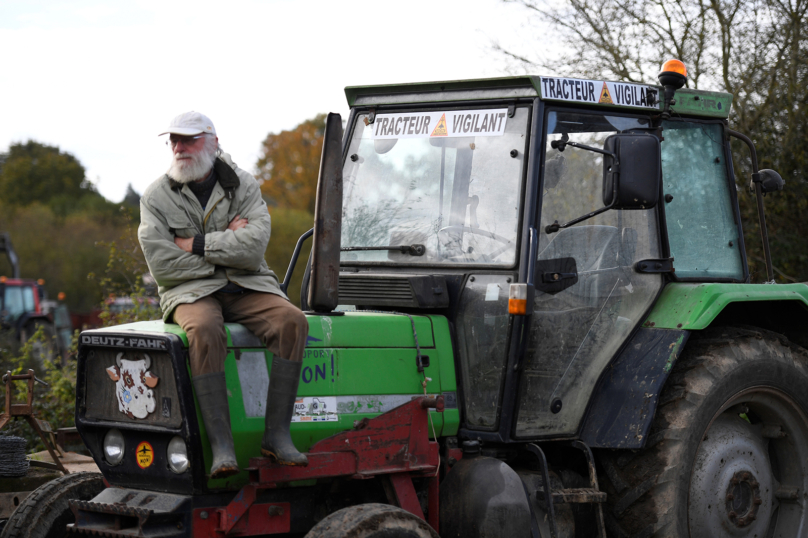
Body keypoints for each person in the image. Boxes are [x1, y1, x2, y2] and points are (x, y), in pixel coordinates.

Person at [138, 111, 309, 479]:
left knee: (292, 321)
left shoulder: (243, 185)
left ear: (213, 142)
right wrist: (223, 246)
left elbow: (252, 248)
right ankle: (222, 446)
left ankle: (276, 435)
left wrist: (193, 245)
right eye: (174, 141)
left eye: (189, 139)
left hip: (247, 284)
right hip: (190, 291)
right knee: (203, 328)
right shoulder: (155, 196)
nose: (179, 147)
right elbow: (162, 265)